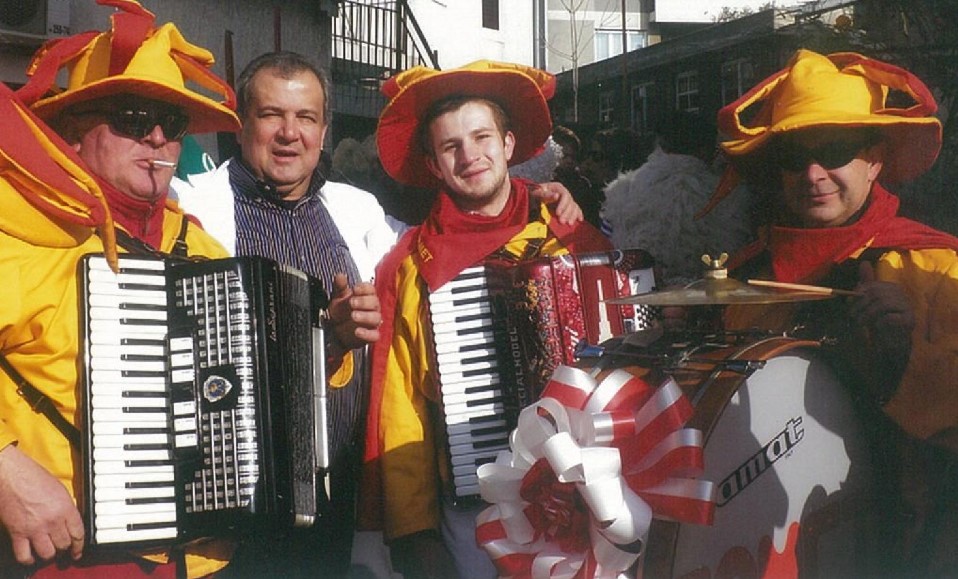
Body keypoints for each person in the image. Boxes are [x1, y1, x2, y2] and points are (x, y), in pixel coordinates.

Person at [172, 52, 584, 578]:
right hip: (234, 506)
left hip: (337, 501)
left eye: (306, 118)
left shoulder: (359, 212)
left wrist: (538, 200)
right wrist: (325, 340)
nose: (289, 133)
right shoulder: (190, 212)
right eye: (271, 115)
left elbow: (461, 236)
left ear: (324, 131)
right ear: (241, 124)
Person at [0, 0, 241, 576]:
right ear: (73, 132)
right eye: (132, 118)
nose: (156, 137)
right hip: (65, 559)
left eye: (172, 124)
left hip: (205, 558)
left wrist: (328, 347)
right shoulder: (15, 226)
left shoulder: (206, 250)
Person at [705, 49, 958, 576]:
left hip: (910, 542)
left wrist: (905, 353)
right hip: (768, 545)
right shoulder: (743, 277)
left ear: (875, 160)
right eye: (794, 157)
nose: (813, 174)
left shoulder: (935, 266)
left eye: (835, 151)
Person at [359, 60, 614, 579]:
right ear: (433, 165)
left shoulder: (569, 235)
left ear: (509, 144)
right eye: (450, 146)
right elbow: (401, 406)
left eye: (481, 137)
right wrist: (414, 531)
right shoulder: (407, 265)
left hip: (589, 492)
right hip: (472, 509)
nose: (470, 155)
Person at [602, 110, 757, 287]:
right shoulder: (726, 193)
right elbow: (737, 249)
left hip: (636, 288)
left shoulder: (623, 188)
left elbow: (610, 243)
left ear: (661, 145)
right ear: (705, 149)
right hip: (704, 293)